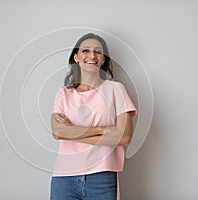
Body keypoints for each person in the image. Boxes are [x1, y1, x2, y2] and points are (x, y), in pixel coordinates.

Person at [50, 33, 137, 200]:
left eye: (98, 51)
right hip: (64, 178)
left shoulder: (115, 89)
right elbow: (58, 132)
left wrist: (73, 133)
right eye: (86, 51)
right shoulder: (64, 93)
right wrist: (105, 130)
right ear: (76, 57)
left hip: (102, 176)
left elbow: (124, 137)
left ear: (103, 59)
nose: (92, 55)